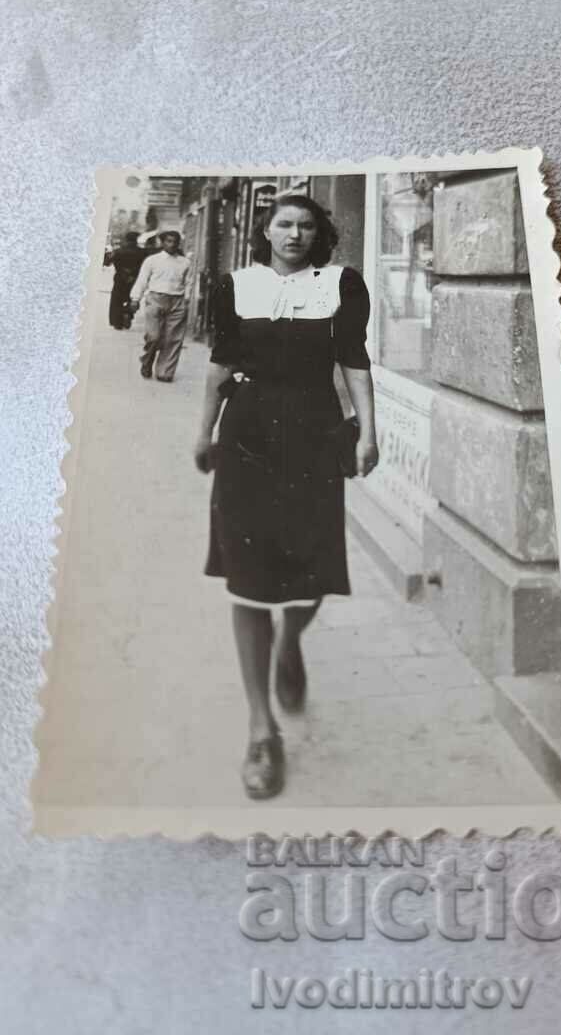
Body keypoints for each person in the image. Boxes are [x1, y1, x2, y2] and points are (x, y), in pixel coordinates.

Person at [194, 194, 379, 800]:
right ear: (266, 231)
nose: (294, 234)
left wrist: (369, 432)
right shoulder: (235, 286)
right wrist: (203, 432)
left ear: (318, 234)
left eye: (305, 225)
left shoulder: (341, 286)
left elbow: (353, 361)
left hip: (313, 437)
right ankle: (260, 730)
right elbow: (220, 365)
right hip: (247, 438)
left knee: (311, 572)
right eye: (284, 224)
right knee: (245, 579)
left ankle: (291, 639)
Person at [129, 230, 191, 381]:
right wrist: (135, 298)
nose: (172, 244)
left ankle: (165, 372)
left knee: (173, 339)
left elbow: (189, 282)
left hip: (177, 301)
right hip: (155, 298)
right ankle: (147, 360)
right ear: (162, 243)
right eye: (169, 241)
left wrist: (187, 300)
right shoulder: (152, 260)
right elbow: (142, 280)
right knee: (154, 336)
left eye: (175, 242)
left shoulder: (185, 262)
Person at [108, 231, 146, 330]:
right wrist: (132, 274)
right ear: (136, 240)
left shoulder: (119, 251)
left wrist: (125, 273)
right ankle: (128, 313)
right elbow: (143, 266)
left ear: (126, 239)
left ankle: (117, 322)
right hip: (135, 278)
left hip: (120, 278)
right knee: (133, 298)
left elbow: (116, 265)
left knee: (117, 300)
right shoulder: (142, 252)